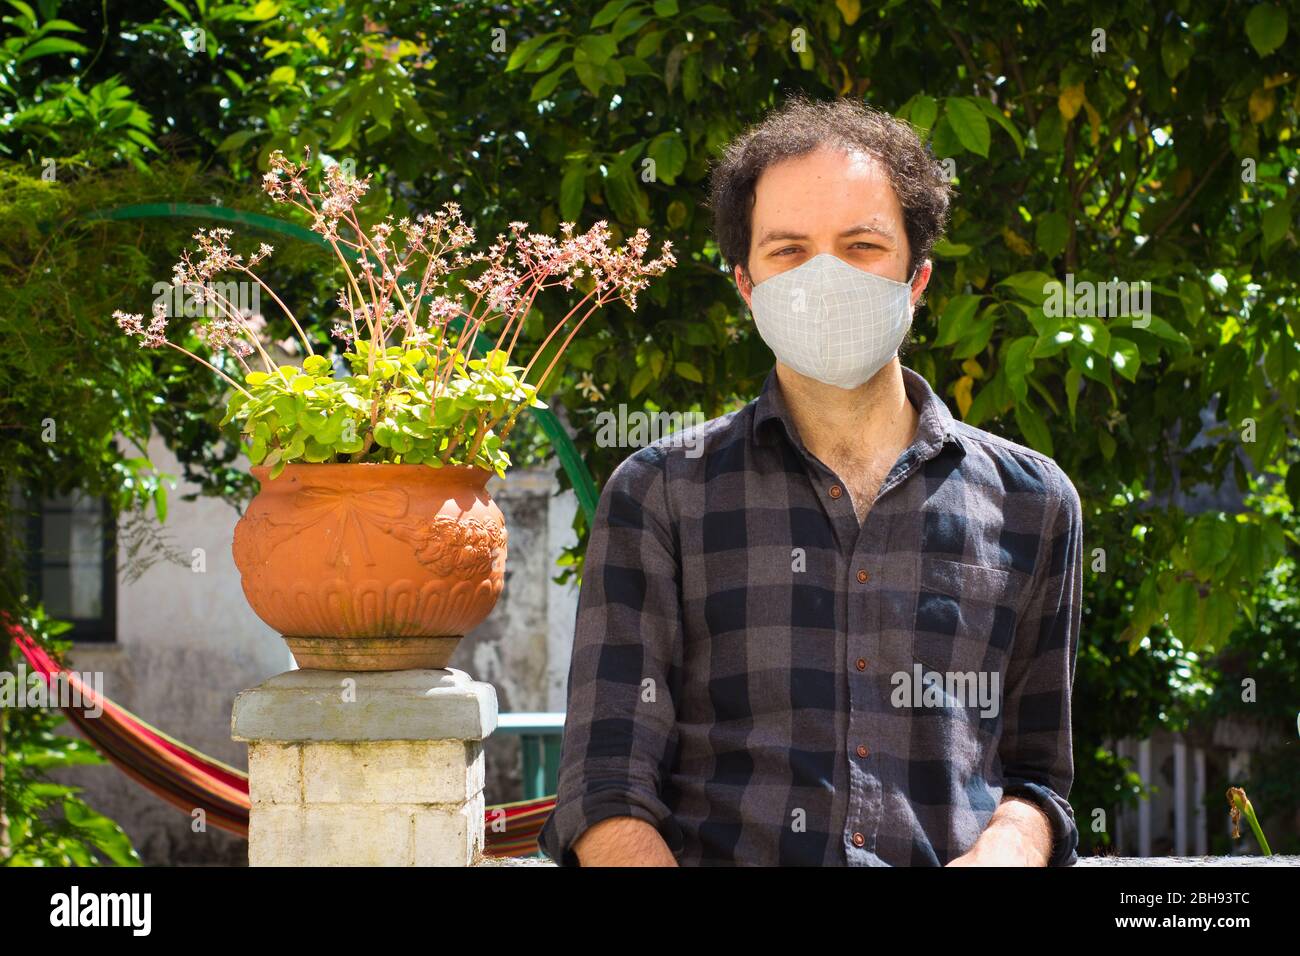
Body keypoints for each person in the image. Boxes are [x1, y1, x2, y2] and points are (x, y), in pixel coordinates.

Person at [537, 95, 1083, 867]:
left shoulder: (1036, 504)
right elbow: (603, 790)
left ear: (917, 275)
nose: (824, 276)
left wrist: (1008, 852)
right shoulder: (658, 495)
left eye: (861, 245)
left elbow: (1039, 780)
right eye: (789, 251)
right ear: (745, 283)